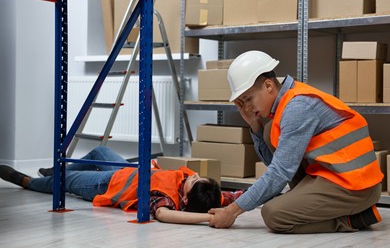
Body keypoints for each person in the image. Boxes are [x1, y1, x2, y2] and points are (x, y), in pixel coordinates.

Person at [208, 50, 384, 233]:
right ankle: (303, 199)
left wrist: (232, 210)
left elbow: (279, 173)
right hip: (331, 176)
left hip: (357, 186)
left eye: (248, 99)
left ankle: (352, 220)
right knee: (269, 131)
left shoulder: (297, 108)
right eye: (242, 103)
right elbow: (275, 164)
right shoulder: (289, 101)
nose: (247, 108)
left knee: (273, 214)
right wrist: (254, 125)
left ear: (268, 85)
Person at [0, 146, 242, 224]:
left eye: (196, 180)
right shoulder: (210, 196)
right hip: (128, 171)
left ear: (186, 200)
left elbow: (163, 214)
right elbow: (234, 196)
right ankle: (58, 168)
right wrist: (228, 208)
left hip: (107, 185)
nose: (195, 174)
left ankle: (28, 181)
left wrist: (207, 219)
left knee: (63, 184)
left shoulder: (167, 198)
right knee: (100, 151)